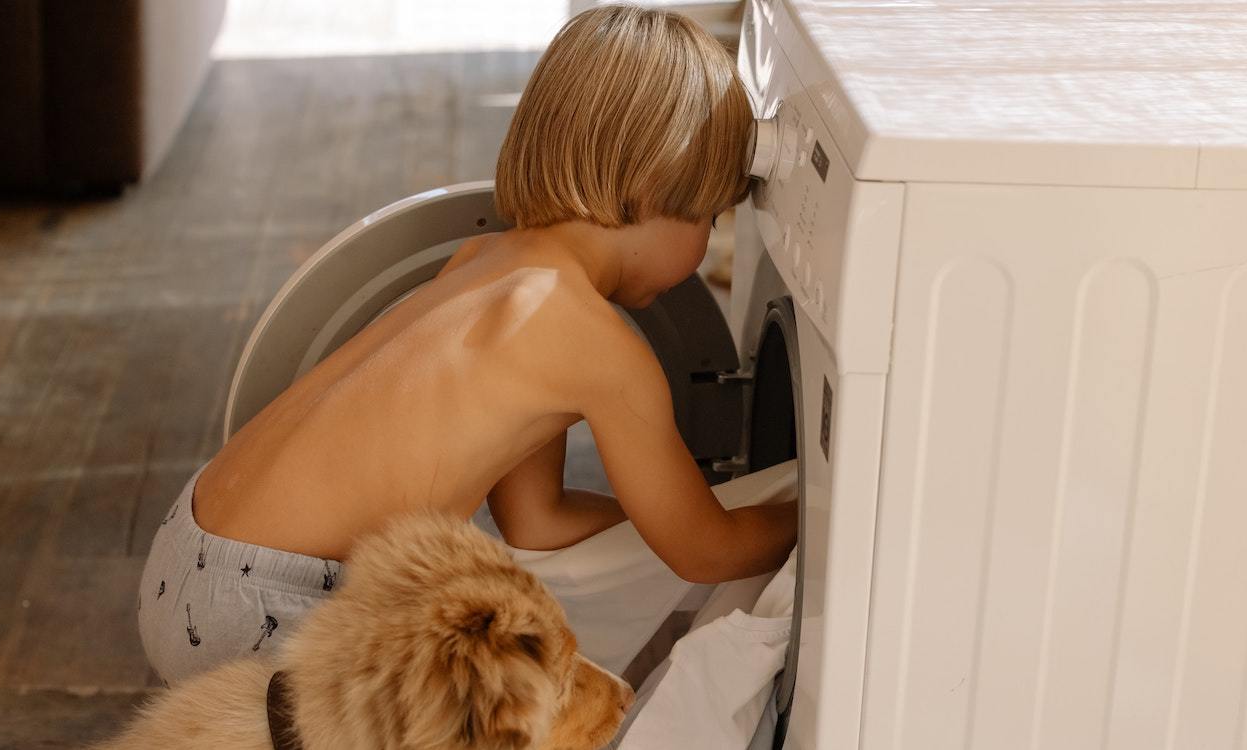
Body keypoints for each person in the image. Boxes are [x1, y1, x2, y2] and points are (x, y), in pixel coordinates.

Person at [137, 3, 798, 684]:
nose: (706, 243)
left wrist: (660, 524)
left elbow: (536, 521)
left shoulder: (484, 258)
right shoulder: (601, 347)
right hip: (274, 608)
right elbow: (705, 553)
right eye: (712, 217)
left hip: (188, 546)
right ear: (655, 185)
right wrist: (821, 515)